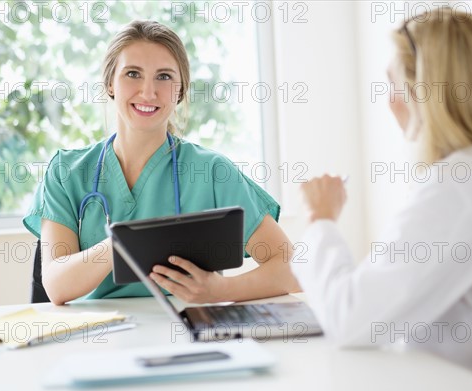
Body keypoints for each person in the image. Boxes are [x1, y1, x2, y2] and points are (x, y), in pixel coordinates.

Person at [293, 8, 472, 377]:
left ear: (425, 94)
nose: (389, 100)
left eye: (393, 85)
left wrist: (321, 220)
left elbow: (349, 319)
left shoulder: (461, 187)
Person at [23, 20, 300, 306]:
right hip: (97, 335)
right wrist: (124, 243)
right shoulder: (67, 172)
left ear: (180, 91)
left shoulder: (213, 172)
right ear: (110, 84)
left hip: (188, 333)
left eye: (164, 77)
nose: (148, 91)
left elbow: (291, 266)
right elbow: (56, 285)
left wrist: (221, 290)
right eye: (132, 73)